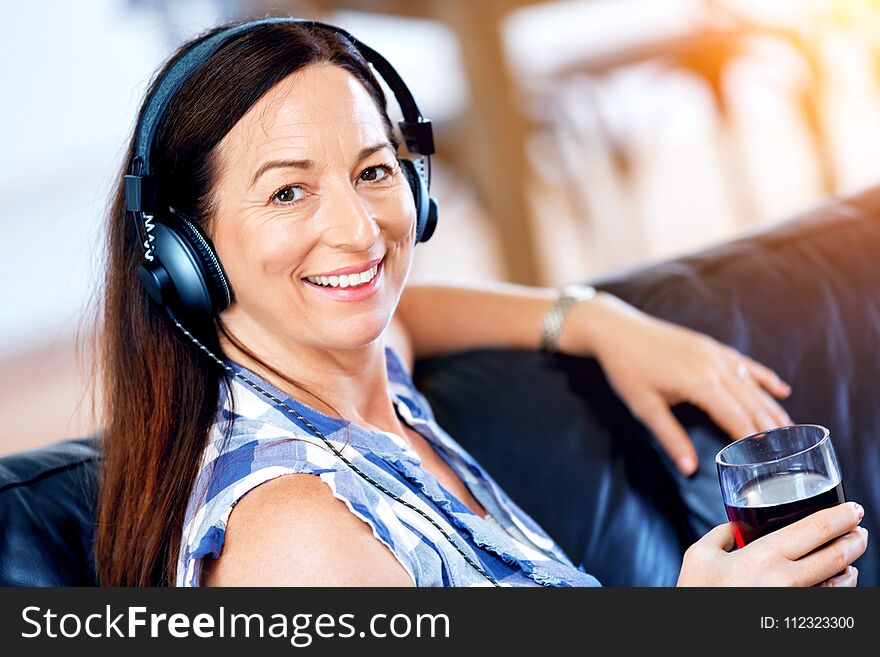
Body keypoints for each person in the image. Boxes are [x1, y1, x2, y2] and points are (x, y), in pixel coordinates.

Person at [93, 17, 867, 587]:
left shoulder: (349, 385)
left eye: (372, 171)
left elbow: (409, 313)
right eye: (288, 191)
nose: (360, 231)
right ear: (183, 255)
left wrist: (596, 319)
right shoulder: (301, 542)